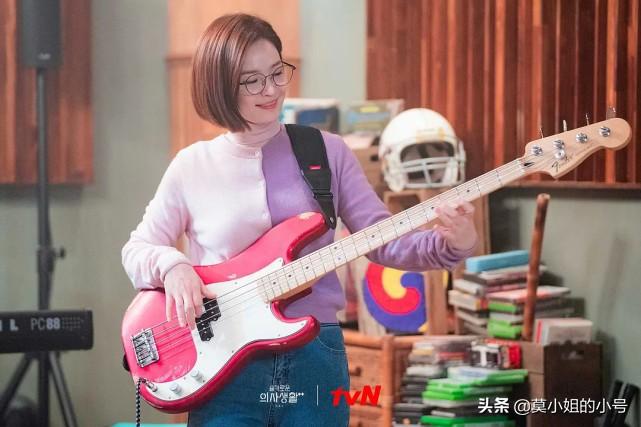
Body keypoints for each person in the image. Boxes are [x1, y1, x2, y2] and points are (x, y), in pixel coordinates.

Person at [121, 13, 477, 427]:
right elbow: (138, 249)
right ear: (219, 86)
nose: (271, 89)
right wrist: (173, 266)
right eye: (252, 80)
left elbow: (381, 240)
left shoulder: (327, 152)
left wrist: (453, 243)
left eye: (277, 72)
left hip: (315, 359)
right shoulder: (191, 166)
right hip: (223, 368)